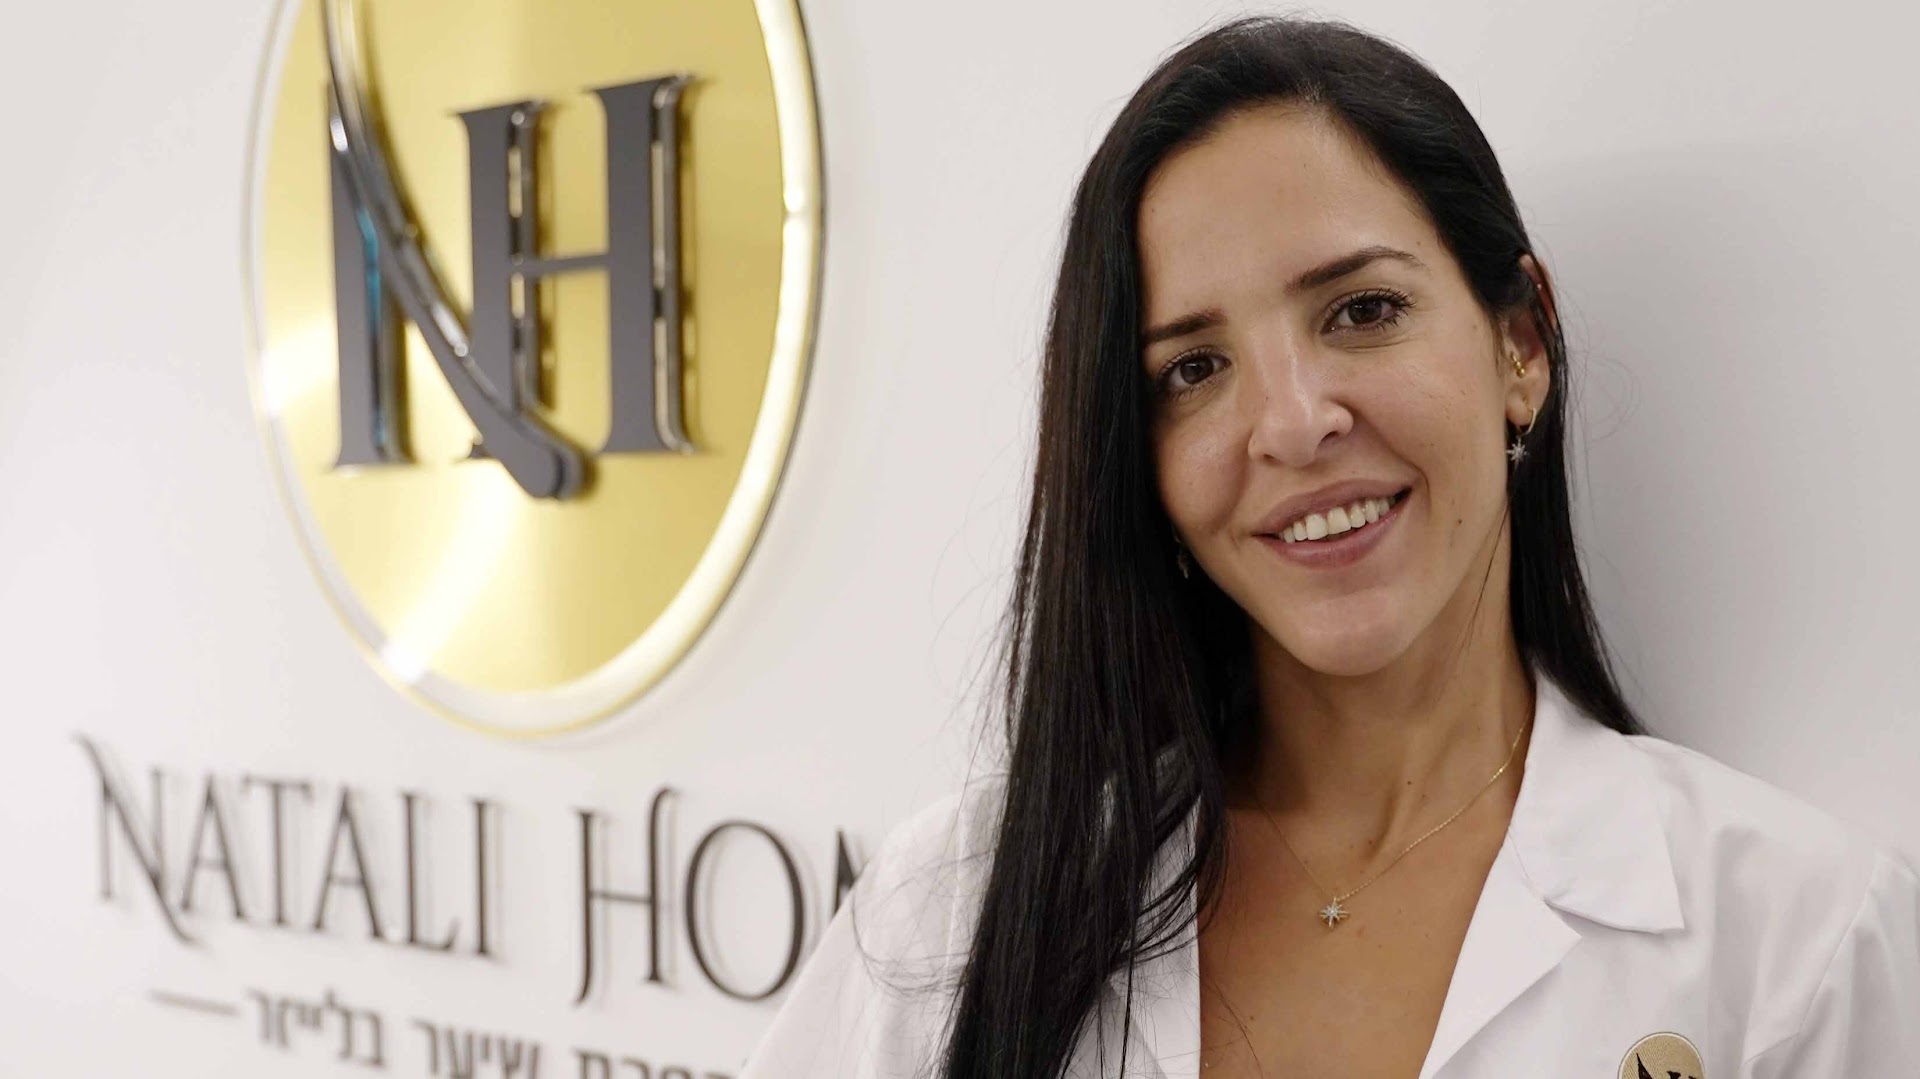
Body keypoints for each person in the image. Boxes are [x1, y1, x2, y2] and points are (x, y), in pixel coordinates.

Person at [739, 14, 1920, 1078]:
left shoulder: (1795, 943)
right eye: (1193, 368)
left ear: (1520, 345)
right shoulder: (955, 907)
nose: (1295, 422)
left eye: (1362, 310)